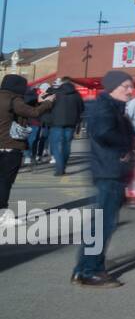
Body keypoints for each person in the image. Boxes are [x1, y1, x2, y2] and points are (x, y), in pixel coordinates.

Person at [72, 71, 135, 288]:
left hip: (110, 170)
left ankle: (82, 269)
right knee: (103, 225)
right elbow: (103, 133)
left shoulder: (113, 107)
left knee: (99, 224)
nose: (130, 90)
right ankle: (92, 271)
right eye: (125, 86)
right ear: (112, 87)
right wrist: (125, 147)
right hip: (109, 171)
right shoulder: (106, 108)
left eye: (131, 86)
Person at [0, 75, 54, 220]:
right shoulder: (14, 99)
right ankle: (3, 215)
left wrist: (36, 101)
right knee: (5, 181)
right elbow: (33, 113)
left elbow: (21, 109)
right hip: (10, 146)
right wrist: (48, 103)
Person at [46, 76, 85, 177]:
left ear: (62, 83)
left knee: (56, 146)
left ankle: (59, 167)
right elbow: (82, 109)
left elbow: (48, 105)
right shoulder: (77, 95)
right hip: (71, 124)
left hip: (56, 123)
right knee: (66, 146)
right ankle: (63, 166)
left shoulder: (56, 93)